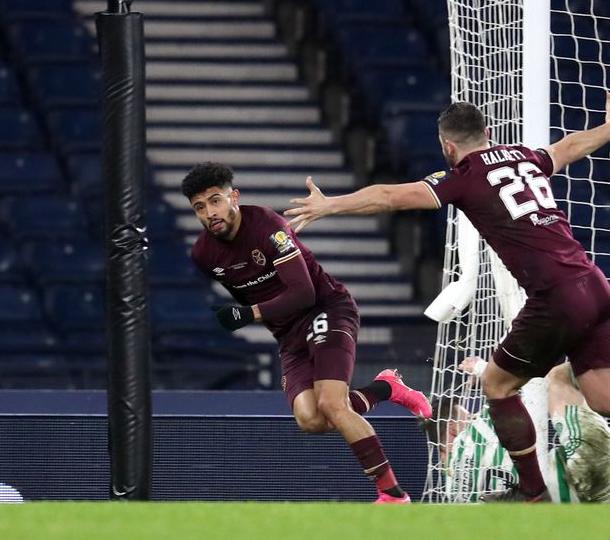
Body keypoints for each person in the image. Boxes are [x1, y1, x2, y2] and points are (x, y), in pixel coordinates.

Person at [286, 97, 610, 502]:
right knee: (608, 398)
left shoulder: (462, 176)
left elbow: (392, 195)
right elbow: (567, 146)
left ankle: (531, 492)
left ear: (447, 146)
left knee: (496, 385)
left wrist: (332, 205)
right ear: (489, 133)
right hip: (594, 284)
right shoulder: (524, 155)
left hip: (554, 296)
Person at [182, 162, 433, 504]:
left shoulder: (269, 228)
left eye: (215, 200)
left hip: (325, 309)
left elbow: (303, 293)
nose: (210, 213)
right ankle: (385, 388)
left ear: (234, 197)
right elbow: (249, 294)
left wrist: (250, 314)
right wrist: (248, 315)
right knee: (311, 418)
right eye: (199, 207)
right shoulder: (203, 254)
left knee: (333, 404)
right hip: (289, 333)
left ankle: (393, 495)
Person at [424, 301, 610, 505]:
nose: (472, 418)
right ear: (451, 429)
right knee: (561, 377)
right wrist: (485, 370)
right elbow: (521, 389)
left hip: (568, 517)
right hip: (580, 475)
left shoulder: (452, 492)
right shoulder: (474, 436)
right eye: (466, 415)